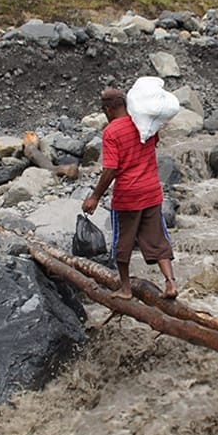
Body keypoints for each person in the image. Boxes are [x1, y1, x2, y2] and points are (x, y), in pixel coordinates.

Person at [82, 87, 178, 300]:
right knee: (157, 239)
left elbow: (111, 169)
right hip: (152, 192)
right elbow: (154, 143)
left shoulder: (111, 132)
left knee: (122, 243)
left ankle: (125, 289)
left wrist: (95, 197)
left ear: (108, 109)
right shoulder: (145, 124)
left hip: (128, 196)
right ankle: (170, 283)